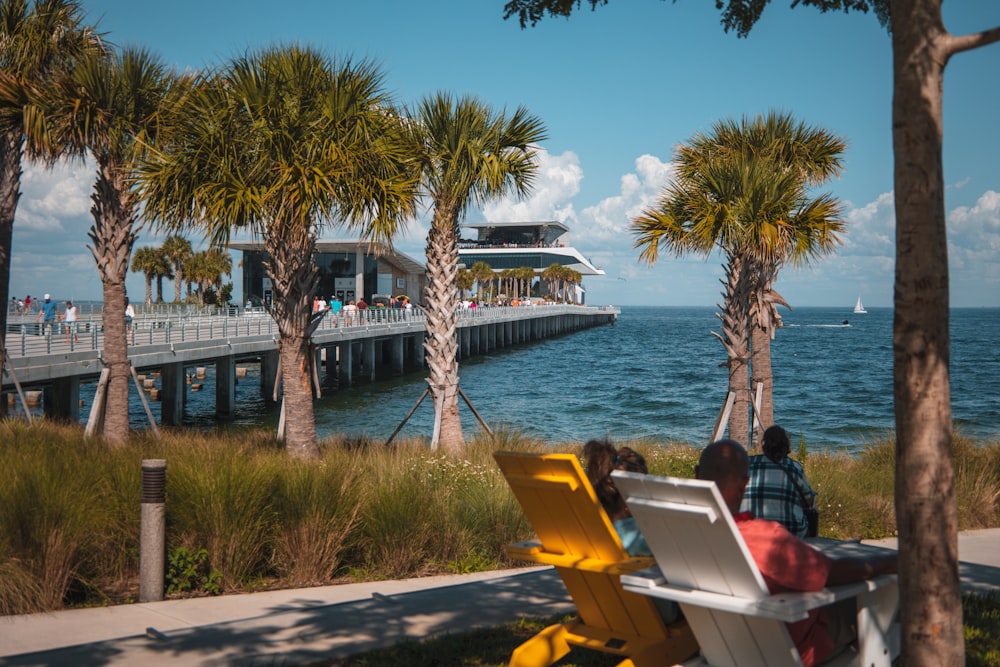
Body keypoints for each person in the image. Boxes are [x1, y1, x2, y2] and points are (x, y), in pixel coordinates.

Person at [696, 440, 897, 667]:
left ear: (696, 475)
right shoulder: (762, 537)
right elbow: (831, 573)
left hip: (722, 649)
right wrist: (888, 561)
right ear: (745, 484)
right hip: (791, 648)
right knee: (887, 600)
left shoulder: (684, 534)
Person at [583, 437, 681, 624]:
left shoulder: (589, 532)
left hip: (601, 610)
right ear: (633, 494)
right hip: (654, 616)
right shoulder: (645, 536)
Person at [741, 425, 817, 538]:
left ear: (764, 444)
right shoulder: (794, 467)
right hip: (791, 532)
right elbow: (809, 501)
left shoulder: (749, 463)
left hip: (752, 531)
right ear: (786, 445)